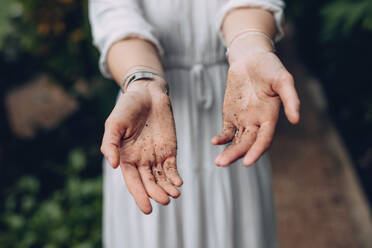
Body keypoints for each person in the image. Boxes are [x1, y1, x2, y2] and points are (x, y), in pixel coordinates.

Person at [89, 0, 300, 247]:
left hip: (235, 106)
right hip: (147, 126)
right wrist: (142, 79)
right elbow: (117, 18)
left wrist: (251, 46)